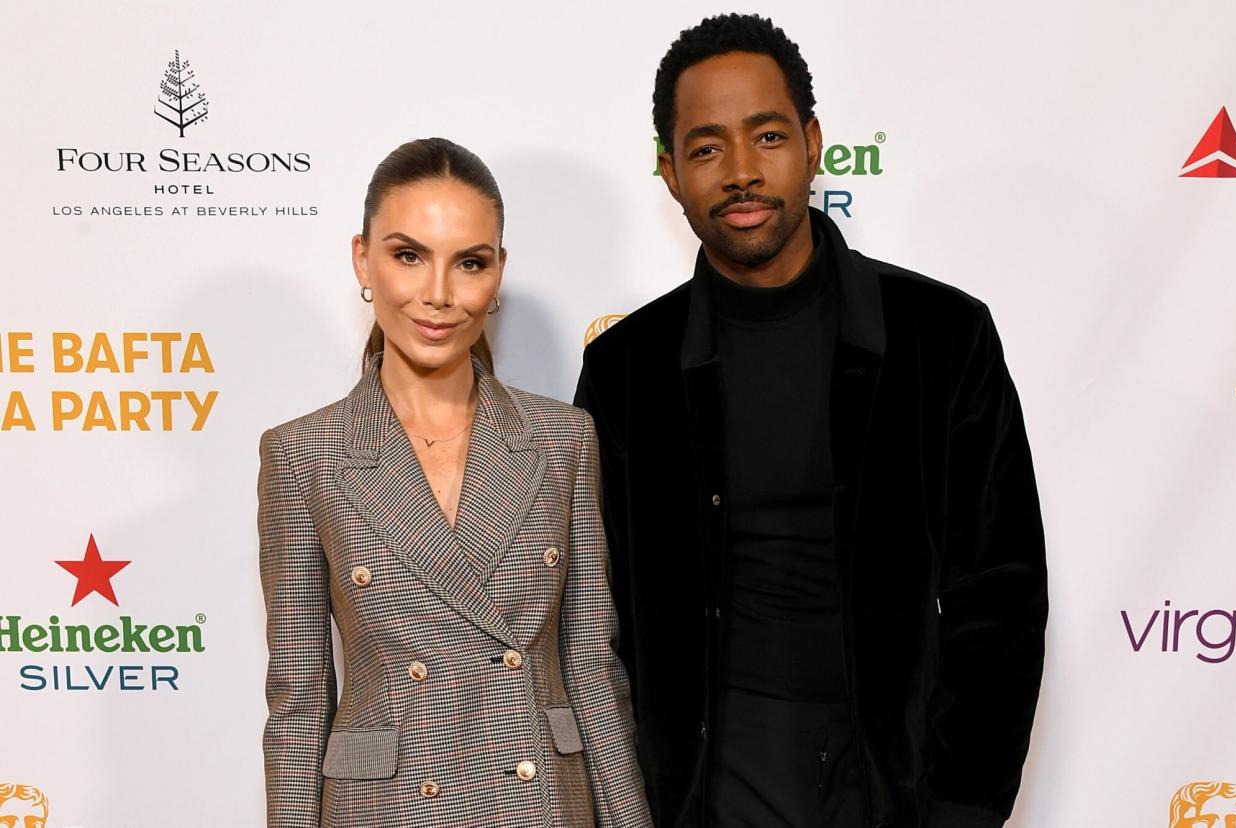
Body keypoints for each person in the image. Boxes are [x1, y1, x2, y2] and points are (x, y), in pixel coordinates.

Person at [574, 14, 1048, 828]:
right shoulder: (628, 370)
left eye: (766, 135)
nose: (742, 172)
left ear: (813, 140)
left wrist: (961, 805)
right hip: (707, 786)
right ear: (669, 170)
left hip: (893, 781)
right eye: (707, 146)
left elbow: (1000, 595)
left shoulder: (941, 336)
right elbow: (597, 616)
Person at [258, 137, 651, 827]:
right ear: (363, 260)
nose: (438, 295)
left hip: (539, 805)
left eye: (469, 263)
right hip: (389, 809)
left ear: (497, 273)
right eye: (408, 256)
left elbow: (592, 671)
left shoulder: (562, 440)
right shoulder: (304, 454)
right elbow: (298, 702)